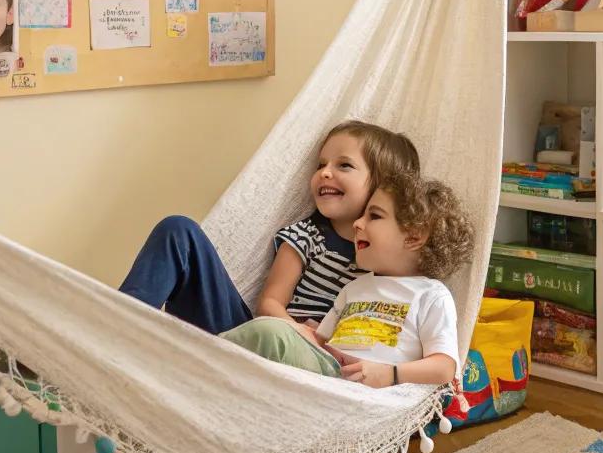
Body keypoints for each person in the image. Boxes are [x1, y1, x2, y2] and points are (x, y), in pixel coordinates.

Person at [119, 121, 420, 337]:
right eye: (321, 165)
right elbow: (269, 303)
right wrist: (303, 334)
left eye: (344, 165)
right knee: (178, 230)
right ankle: (115, 325)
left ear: (384, 188)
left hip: (327, 369)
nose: (325, 173)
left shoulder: (391, 257)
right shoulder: (306, 236)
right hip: (260, 345)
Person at [221, 170, 473, 387]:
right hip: (327, 373)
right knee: (270, 333)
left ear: (414, 237)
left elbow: (444, 367)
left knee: (270, 334)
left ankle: (207, 361)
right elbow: (320, 341)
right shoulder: (354, 288)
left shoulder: (431, 295)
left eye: (374, 216)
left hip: (370, 392)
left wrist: (390, 374)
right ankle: (209, 362)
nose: (357, 223)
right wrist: (300, 331)